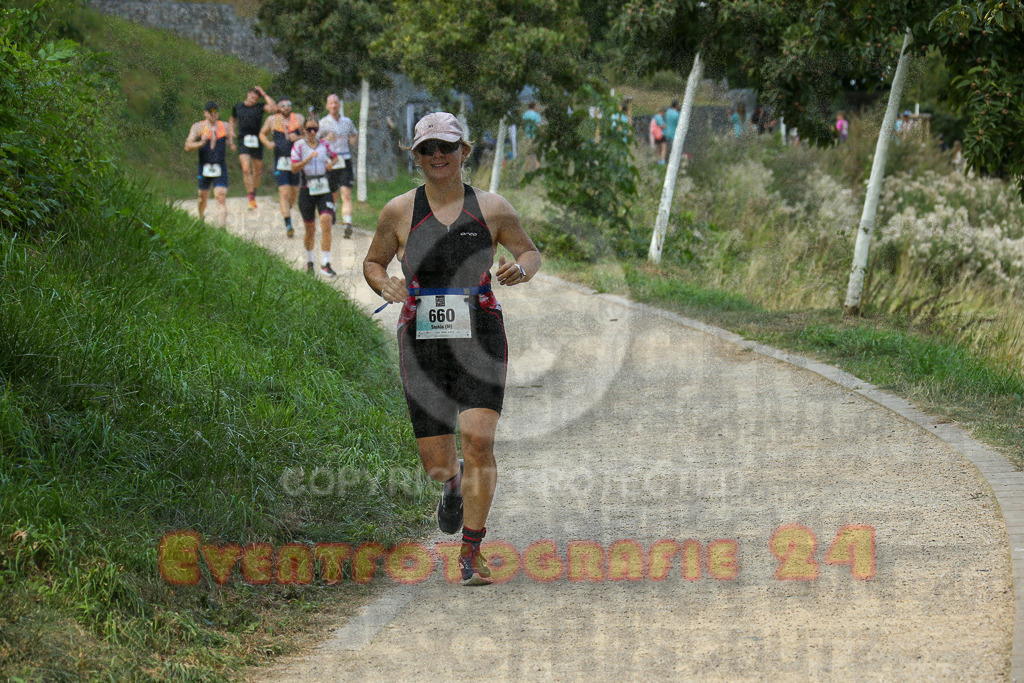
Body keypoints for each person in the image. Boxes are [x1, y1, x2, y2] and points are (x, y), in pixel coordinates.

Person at [363, 112, 541, 586]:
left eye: (447, 146)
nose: (438, 156)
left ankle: (471, 550)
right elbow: (374, 261)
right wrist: (385, 285)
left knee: (479, 439)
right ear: (415, 156)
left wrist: (520, 270)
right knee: (438, 463)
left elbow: (529, 251)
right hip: (422, 339)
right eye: (427, 149)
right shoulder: (399, 211)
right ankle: (453, 484)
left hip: (479, 331)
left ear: (464, 151)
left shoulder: (492, 208)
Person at [291, 119, 339, 276]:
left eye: (315, 129)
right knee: (310, 229)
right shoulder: (298, 146)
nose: (312, 132)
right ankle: (310, 261)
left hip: (323, 187)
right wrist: (308, 159)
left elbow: (335, 157)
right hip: (307, 188)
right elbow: (293, 168)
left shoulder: (325, 145)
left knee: (326, 222)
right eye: (309, 129)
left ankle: (326, 263)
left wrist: (331, 164)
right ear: (304, 130)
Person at [259, 98, 304, 237]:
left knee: (293, 194)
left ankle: (287, 212)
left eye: (289, 105)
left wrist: (297, 137)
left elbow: (308, 135)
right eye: (283, 105)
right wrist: (267, 143)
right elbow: (262, 134)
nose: (286, 107)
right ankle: (288, 224)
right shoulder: (272, 120)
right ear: (278, 107)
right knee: (284, 193)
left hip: (296, 161)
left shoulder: (299, 118)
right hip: (280, 161)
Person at [230, 86, 277, 210]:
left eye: (256, 99)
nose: (253, 101)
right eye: (252, 97)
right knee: (246, 169)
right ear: (248, 94)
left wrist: (264, 94)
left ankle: (254, 191)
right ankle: (250, 197)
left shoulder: (260, 107)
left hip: (257, 139)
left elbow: (273, 108)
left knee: (257, 169)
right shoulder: (238, 107)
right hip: (243, 139)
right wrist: (231, 130)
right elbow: (232, 119)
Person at [184, 101, 230, 226]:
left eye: (215, 112)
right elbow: (187, 146)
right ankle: (201, 217)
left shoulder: (224, 126)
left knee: (220, 196)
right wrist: (200, 143)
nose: (213, 115)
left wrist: (231, 143)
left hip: (220, 165)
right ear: (205, 113)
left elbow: (230, 139)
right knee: (202, 197)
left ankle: (222, 228)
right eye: (210, 113)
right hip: (204, 166)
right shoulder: (198, 127)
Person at [319, 94, 358, 238]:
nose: (334, 105)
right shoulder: (323, 123)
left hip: (344, 159)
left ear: (339, 105)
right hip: (330, 161)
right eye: (331, 103)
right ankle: (333, 210)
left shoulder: (347, 122)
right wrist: (325, 139)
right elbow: (314, 142)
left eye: (336, 103)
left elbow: (354, 134)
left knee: (346, 194)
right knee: (333, 194)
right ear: (327, 106)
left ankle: (347, 224)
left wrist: (352, 140)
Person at [521, 101, 542, 171]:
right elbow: (539, 125)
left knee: (528, 153)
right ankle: (537, 167)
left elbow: (523, 124)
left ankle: (527, 168)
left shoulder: (525, 114)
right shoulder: (537, 115)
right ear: (534, 106)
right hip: (535, 135)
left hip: (527, 135)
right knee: (536, 153)